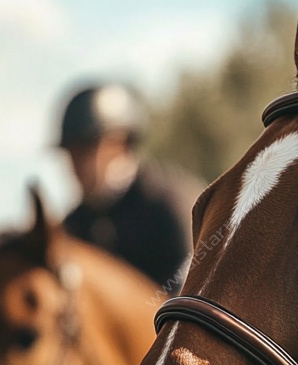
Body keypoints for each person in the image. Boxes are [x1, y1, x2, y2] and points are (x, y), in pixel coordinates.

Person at [57, 83, 203, 292]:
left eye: (83, 152)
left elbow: (193, 294)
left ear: (117, 143)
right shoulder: (73, 226)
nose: (74, 167)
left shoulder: (169, 203)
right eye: (71, 155)